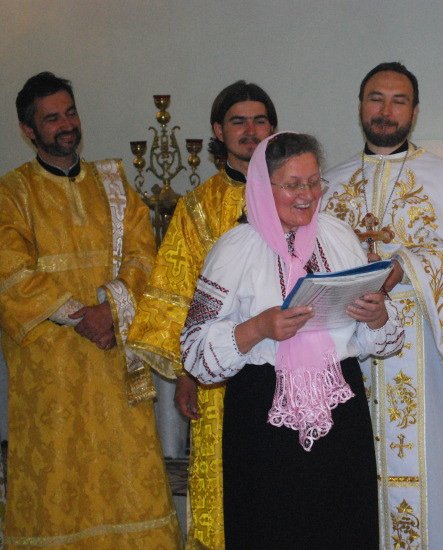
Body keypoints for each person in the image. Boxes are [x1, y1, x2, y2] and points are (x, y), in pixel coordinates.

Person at [180, 132, 404, 548]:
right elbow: (194, 351)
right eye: (293, 184)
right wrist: (257, 328)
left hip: (341, 411)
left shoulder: (338, 237)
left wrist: (378, 316)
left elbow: (383, 340)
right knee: (272, 530)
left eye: (315, 182)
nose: (307, 195)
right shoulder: (235, 249)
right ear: (262, 187)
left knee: (344, 530)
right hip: (264, 418)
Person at [322, 61, 443, 549]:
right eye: (376, 98)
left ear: (415, 111)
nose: (385, 110)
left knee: (434, 486)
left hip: (430, 366)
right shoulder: (330, 185)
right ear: (360, 106)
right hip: (351, 363)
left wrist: (405, 266)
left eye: (398, 100)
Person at [0, 72, 181, 547]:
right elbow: (10, 271)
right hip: (51, 372)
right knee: (58, 480)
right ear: (28, 130)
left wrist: (109, 308)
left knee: (128, 481)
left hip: (112, 359)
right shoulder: (11, 193)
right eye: (52, 118)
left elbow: (145, 255)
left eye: (71, 113)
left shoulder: (113, 183)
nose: (67, 125)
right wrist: (79, 317)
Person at [127, 80, 276, 548]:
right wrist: (187, 373)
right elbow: (176, 293)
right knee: (228, 483)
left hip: (289, 364)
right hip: (221, 373)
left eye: (260, 121)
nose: (250, 131)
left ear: (273, 128)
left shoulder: (294, 193)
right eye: (238, 122)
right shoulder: (198, 206)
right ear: (218, 130)